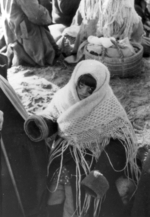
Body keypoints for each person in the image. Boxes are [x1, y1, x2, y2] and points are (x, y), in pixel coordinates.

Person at [24, 60, 140, 217]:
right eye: (81, 85)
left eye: (91, 88)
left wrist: (102, 172)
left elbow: (120, 143)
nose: (84, 91)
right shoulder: (64, 96)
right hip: (61, 158)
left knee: (75, 201)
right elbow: (54, 116)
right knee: (54, 194)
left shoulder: (109, 107)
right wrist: (44, 125)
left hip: (87, 161)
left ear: (100, 88)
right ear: (75, 81)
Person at [0, 0, 58, 67]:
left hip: (14, 37)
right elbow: (37, 14)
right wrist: (50, 17)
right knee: (49, 57)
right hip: (29, 39)